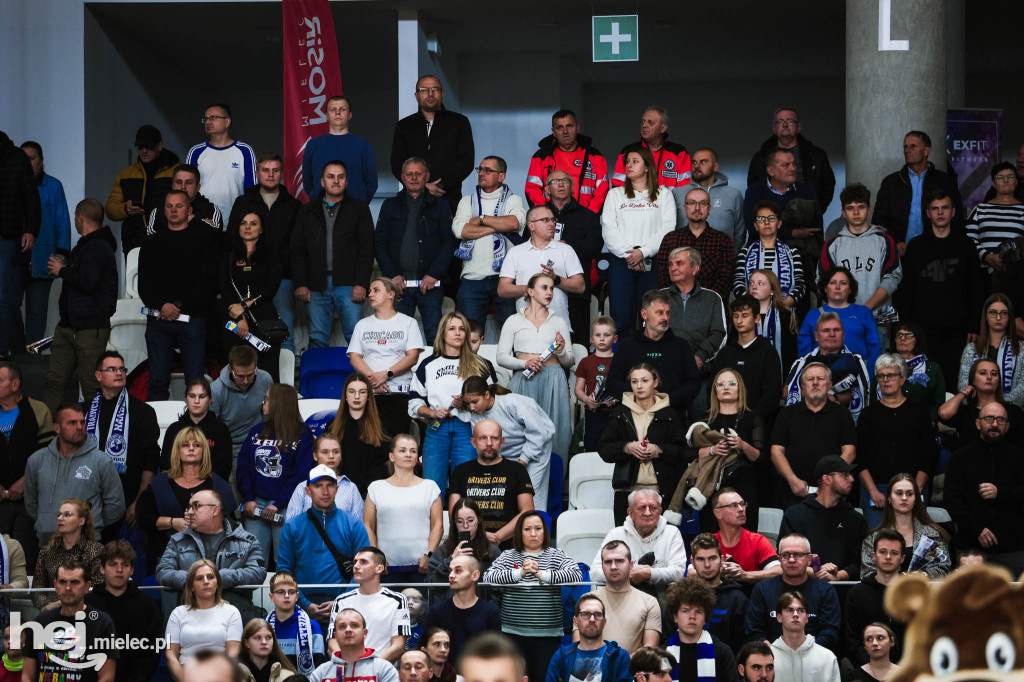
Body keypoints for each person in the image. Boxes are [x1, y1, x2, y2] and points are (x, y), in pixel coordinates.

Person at [896, 189, 985, 385]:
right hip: (922, 330)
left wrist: (974, 325)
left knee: (955, 381)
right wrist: (906, 327)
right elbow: (906, 289)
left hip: (958, 329)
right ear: (928, 213)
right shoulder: (916, 246)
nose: (940, 213)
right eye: (935, 209)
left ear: (953, 211)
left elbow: (976, 288)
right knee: (922, 383)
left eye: (945, 208)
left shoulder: (966, 245)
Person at [138, 189, 220, 400]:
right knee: (157, 380)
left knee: (195, 381)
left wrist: (178, 305)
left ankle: (196, 431)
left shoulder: (204, 240)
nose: (174, 210)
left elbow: (208, 283)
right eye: (169, 206)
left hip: (192, 321)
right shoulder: (150, 244)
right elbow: (144, 285)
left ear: (189, 210)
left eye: (179, 206)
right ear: (164, 211)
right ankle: (156, 432)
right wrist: (162, 306)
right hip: (158, 320)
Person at [484, 510, 582, 682]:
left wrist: (542, 575)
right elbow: (489, 578)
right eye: (527, 529)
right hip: (512, 635)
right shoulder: (509, 555)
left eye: (538, 528)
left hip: (548, 636)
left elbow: (576, 575)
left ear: (545, 531)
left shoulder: (555, 555)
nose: (533, 533)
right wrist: (519, 573)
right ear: (519, 533)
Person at [42, 198, 118, 415]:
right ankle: (48, 434)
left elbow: (87, 281)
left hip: (89, 328)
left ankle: (98, 437)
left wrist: (62, 270)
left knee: (91, 387)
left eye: (75, 218)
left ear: (80, 218)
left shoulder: (98, 247)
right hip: (69, 326)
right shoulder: (86, 246)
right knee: (54, 381)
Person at [409, 311, 497, 495]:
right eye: (452, 328)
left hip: (467, 427)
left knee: (466, 483)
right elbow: (414, 402)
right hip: (436, 428)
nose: (457, 333)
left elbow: (492, 402)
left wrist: (465, 404)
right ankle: (436, 524)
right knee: (432, 485)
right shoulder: (428, 364)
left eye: (461, 329)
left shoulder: (480, 364)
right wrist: (432, 413)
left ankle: (463, 524)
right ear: (443, 333)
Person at [291, 160, 374, 347]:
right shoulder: (307, 211)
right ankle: (319, 377)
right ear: (322, 182)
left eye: (340, 177)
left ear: (346, 181)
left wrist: (361, 284)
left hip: (349, 284)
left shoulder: (359, 209)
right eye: (331, 177)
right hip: (315, 285)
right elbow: (297, 251)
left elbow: (366, 250)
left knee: (356, 337)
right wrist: (301, 283)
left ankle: (360, 377)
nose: (335, 181)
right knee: (317, 337)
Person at [373, 158, 455, 345]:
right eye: (409, 174)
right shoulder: (389, 205)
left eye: (418, 173)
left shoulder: (440, 205)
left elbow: (449, 242)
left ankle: (435, 374)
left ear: (427, 176)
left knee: (435, 337)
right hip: (398, 285)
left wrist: (433, 274)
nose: (414, 178)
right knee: (397, 337)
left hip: (430, 284)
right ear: (402, 177)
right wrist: (392, 275)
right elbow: (379, 243)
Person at [276, 466, 370, 629]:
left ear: (337, 488)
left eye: (330, 485)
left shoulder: (353, 524)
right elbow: (284, 570)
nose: (325, 491)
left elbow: (365, 567)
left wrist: (342, 601)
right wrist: (304, 603)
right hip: (300, 605)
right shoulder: (293, 526)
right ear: (307, 490)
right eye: (318, 486)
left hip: (345, 607)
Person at [497, 272, 573, 473]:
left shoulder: (559, 322)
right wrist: (524, 364)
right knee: (520, 431)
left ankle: (554, 487)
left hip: (554, 377)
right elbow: (501, 357)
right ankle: (517, 480)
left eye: (551, 288)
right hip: (523, 378)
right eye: (544, 287)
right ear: (530, 291)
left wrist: (561, 350)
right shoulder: (513, 320)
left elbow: (570, 360)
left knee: (555, 431)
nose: (549, 292)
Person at [226, 153, 301, 352]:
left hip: (283, 279)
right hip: (247, 277)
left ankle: (285, 383)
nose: (270, 175)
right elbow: (232, 237)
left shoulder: (293, 205)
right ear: (257, 173)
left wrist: (297, 279)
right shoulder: (244, 202)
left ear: (282, 174)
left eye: (275, 170)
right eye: (265, 170)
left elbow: (298, 246)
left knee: (283, 332)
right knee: (244, 331)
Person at [137, 425, 237, 574]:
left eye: (196, 445)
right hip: (169, 559)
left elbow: (230, 525)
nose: (191, 448)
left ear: (204, 451)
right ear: (177, 451)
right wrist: (173, 522)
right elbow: (143, 516)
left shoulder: (219, 485)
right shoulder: (160, 482)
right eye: (185, 445)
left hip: (211, 560)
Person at [24, 403, 125, 546]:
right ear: (57, 428)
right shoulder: (36, 460)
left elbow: (116, 505)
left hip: (87, 546)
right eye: (72, 422)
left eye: (82, 422)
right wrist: (45, 521)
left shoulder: (101, 461)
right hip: (48, 545)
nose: (79, 427)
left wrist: (90, 525)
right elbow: (30, 502)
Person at [156, 489, 266, 618]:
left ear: (215, 510)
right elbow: (163, 572)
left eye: (196, 506)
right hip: (191, 614)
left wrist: (220, 578)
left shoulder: (247, 541)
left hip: (236, 612)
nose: (189, 512)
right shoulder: (178, 540)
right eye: (189, 507)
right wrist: (194, 580)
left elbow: (258, 573)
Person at [820, 184, 902, 352]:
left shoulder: (884, 240)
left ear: (869, 209)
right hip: (842, 324)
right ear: (843, 212)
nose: (856, 213)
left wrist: (864, 310)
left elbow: (892, 278)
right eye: (850, 208)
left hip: (876, 322)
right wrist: (847, 314)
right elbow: (823, 283)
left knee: (877, 374)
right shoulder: (832, 245)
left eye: (861, 207)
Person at [602, 146, 677, 332]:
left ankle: (650, 359)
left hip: (652, 263)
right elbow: (608, 228)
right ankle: (624, 360)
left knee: (652, 317)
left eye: (635, 161)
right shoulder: (615, 195)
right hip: (621, 264)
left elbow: (668, 228)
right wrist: (630, 255)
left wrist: (642, 252)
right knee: (621, 318)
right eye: (627, 161)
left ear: (646, 167)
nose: (629, 165)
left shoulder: (664, 194)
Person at [597, 363, 684, 523]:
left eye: (645, 380)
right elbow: (604, 449)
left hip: (660, 490)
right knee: (626, 545)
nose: (639, 386)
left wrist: (658, 450)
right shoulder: (620, 413)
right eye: (634, 381)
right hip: (627, 492)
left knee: (660, 545)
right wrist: (627, 447)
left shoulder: (669, 414)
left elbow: (682, 451)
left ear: (655, 383)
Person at [238, 383, 314, 563]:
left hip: (286, 506)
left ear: (278, 403)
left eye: (266, 399)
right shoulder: (256, 432)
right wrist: (248, 498)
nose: (262, 403)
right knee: (253, 564)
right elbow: (242, 467)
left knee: (285, 562)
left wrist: (278, 503)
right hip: (256, 505)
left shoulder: (303, 435)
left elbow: (301, 474)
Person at [945, 401, 1024, 574]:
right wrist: (976, 529)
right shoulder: (961, 457)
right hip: (971, 549)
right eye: (989, 418)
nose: (995, 424)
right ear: (977, 423)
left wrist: (1001, 493)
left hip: (1014, 550)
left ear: (1007, 426)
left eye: (1000, 420)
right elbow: (952, 500)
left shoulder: (1019, 457)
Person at [85, 351, 160, 533]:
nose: (119, 373)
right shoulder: (84, 411)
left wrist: (139, 501)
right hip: (87, 495)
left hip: (127, 496)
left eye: (122, 369)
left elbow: (151, 459)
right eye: (112, 369)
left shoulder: (143, 411)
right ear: (98, 375)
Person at [857, 355, 938, 520]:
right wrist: (872, 491)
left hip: (913, 487)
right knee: (876, 542)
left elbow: (929, 454)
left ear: (903, 378)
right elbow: (859, 457)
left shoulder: (920, 413)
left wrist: (916, 488)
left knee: (913, 542)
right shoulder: (867, 414)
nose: (885, 380)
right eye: (881, 376)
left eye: (891, 375)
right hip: (876, 489)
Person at [452, 156, 528, 330]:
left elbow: (513, 223)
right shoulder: (466, 201)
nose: (482, 174)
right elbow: (461, 231)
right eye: (480, 169)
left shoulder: (513, 199)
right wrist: (496, 227)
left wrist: (481, 219)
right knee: (469, 337)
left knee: (514, 334)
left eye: (488, 170)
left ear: (501, 176)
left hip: (505, 278)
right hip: (472, 278)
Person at [7, 141, 68, 350]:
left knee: (37, 311)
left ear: (41, 161)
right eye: (23, 158)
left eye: (31, 158)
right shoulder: (11, 186)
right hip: (15, 256)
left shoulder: (53, 186)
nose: (27, 163)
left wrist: (61, 253)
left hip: (44, 257)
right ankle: (17, 351)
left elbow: (62, 221)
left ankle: (31, 353)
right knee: (11, 305)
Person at [606, 290, 700, 422]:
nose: (665, 318)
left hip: (672, 417)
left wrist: (667, 399)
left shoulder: (681, 346)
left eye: (667, 313)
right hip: (633, 417)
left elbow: (694, 383)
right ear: (644, 314)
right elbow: (612, 383)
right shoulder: (626, 346)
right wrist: (640, 396)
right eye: (659, 312)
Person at [460, 380, 556, 509]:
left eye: (475, 402)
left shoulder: (512, 403)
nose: (471, 407)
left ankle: (536, 526)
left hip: (536, 448)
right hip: (508, 454)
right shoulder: (476, 416)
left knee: (530, 496)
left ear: (487, 395)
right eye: (467, 404)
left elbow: (540, 433)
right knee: (508, 495)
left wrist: (521, 463)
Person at [771, 362, 856, 508]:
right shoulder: (786, 414)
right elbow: (776, 452)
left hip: (832, 495)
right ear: (803, 386)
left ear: (829, 385)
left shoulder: (842, 414)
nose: (815, 383)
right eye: (810, 379)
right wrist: (792, 480)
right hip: (795, 493)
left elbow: (850, 451)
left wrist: (830, 481)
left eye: (820, 379)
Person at [347, 276, 424, 437]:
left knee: (396, 440)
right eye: (369, 291)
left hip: (399, 392)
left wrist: (387, 374)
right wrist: (373, 379)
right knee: (368, 440)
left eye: (376, 290)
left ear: (391, 294)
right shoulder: (362, 325)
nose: (370, 295)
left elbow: (412, 357)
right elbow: (354, 357)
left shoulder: (408, 323)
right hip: (368, 392)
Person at [390, 75, 475, 215]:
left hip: (448, 198)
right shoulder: (404, 126)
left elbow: (466, 161)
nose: (430, 93)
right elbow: (397, 163)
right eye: (424, 90)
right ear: (416, 95)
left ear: (442, 94)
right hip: (412, 199)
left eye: (435, 89)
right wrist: (422, 186)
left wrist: (440, 186)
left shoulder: (459, 122)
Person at [21, 560, 118, 682]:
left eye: (75, 582)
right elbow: (27, 676)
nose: (68, 588)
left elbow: (107, 678)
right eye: (62, 582)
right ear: (55, 585)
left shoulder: (103, 623)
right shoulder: (39, 623)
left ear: (87, 586)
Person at [498, 205, 586, 338]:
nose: (552, 224)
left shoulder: (565, 250)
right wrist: (531, 289)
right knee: (527, 359)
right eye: (545, 220)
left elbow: (580, 286)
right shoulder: (516, 252)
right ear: (531, 226)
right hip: (525, 329)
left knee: (558, 359)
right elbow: (502, 289)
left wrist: (555, 279)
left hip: (558, 329)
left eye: (552, 220)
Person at [365, 434, 442, 581]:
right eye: (402, 450)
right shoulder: (376, 488)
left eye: (413, 451)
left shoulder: (430, 487)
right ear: (391, 456)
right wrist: (376, 558)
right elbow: (368, 526)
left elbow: (438, 525)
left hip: (421, 568)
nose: (408, 454)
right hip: (386, 569)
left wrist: (429, 555)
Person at [872, 130, 965, 253]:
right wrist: (895, 242)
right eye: (905, 146)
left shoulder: (944, 181)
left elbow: (956, 215)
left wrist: (943, 243)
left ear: (926, 151)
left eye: (913, 146)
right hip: (900, 252)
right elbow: (879, 220)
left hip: (936, 250)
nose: (907, 150)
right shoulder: (891, 182)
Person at [447, 419, 535, 547]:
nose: (489, 443)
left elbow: (527, 511)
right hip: (470, 544)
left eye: (494, 438)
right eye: (483, 438)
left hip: (509, 545)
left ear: (502, 442)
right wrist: (480, 536)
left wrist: (497, 537)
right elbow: (454, 513)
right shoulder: (460, 471)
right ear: (473, 442)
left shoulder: (517, 470)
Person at [84, 540, 163, 682]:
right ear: (102, 568)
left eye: (125, 565)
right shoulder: (87, 604)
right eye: (113, 564)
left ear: (132, 569)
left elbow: (152, 651)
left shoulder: (147, 605)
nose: (119, 570)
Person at [745, 534, 841, 650]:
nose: (791, 560)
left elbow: (829, 633)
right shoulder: (762, 589)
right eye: (785, 555)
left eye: (798, 554)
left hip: (814, 656)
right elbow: (754, 631)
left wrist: (804, 652)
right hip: (772, 658)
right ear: (779, 559)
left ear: (809, 559)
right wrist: (774, 654)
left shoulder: (826, 591)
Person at [779, 456, 867, 582]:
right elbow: (785, 556)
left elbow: (860, 563)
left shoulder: (856, 519)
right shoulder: (795, 515)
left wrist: (837, 576)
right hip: (801, 586)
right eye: (845, 475)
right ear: (827, 479)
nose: (852, 479)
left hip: (843, 588)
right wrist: (817, 571)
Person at [0, 361, 52, 569]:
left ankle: (24, 599)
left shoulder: (38, 410)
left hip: (29, 501)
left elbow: (49, 454)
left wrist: (25, 482)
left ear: (15, 385)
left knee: (25, 555)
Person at [661, 247, 727, 410]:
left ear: (695, 268)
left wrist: (699, 357)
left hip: (699, 371)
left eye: (679, 263)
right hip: (663, 370)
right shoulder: (658, 296)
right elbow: (648, 332)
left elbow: (720, 333)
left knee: (699, 420)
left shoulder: (712, 298)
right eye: (670, 264)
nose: (673, 268)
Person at [221, 211, 282, 379]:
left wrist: (245, 305)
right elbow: (224, 288)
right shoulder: (228, 256)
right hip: (234, 321)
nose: (248, 227)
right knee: (235, 374)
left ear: (261, 229)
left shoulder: (271, 255)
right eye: (243, 223)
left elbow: (270, 289)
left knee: (267, 374)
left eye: (253, 223)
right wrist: (239, 317)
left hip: (264, 320)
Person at [588, 489, 687, 591]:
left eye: (653, 508)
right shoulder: (616, 534)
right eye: (642, 508)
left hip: (663, 596)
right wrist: (625, 574)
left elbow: (678, 572)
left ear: (660, 511)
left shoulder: (672, 533)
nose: (648, 512)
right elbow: (595, 573)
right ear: (630, 513)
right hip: (622, 595)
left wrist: (649, 574)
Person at [326, 548, 411, 662]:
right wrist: (348, 667)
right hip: (345, 670)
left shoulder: (398, 600)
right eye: (355, 562)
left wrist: (370, 669)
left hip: (381, 673)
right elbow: (332, 644)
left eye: (363, 562)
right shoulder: (341, 600)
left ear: (379, 568)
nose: (356, 566)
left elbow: (398, 646)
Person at [103, 124, 178, 255]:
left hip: (168, 237)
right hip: (134, 240)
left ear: (159, 146)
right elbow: (110, 209)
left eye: (148, 147)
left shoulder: (176, 171)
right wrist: (125, 209)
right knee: (135, 275)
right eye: (140, 147)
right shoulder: (125, 174)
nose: (144, 151)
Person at [165, 559, 244, 681]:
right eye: (199, 578)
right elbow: (170, 655)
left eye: (210, 577)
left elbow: (233, 652)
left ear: (217, 583)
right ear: (191, 586)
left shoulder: (232, 612)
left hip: (220, 675)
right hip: (187, 674)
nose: (206, 582)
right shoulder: (177, 614)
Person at [860, 474, 951, 578]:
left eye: (909, 494)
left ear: (916, 498)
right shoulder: (873, 537)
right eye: (899, 493)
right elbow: (867, 574)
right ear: (889, 497)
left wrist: (923, 575)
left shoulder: (933, 534)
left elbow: (944, 570)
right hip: (885, 593)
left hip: (924, 591)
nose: (904, 498)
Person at [711, 296, 783, 426]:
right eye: (735, 316)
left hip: (758, 424)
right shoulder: (724, 354)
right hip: (725, 421)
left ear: (756, 318)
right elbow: (713, 391)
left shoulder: (768, 352)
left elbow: (772, 395)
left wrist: (752, 419)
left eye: (744, 315)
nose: (739, 320)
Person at [747, 108, 836, 212]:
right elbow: (753, 189)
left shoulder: (816, 155)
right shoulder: (761, 157)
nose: (785, 125)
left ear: (799, 127)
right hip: (772, 220)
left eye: (790, 121)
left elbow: (827, 186)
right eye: (780, 121)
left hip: (808, 219)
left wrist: (815, 211)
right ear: (774, 128)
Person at [741, 149, 823, 259]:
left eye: (794, 164)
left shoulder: (806, 191)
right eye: (786, 165)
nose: (793, 169)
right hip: (762, 255)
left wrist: (772, 225)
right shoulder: (754, 191)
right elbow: (753, 227)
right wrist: (792, 233)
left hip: (802, 256)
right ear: (771, 171)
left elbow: (815, 226)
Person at [799, 267, 880, 377]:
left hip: (858, 376)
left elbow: (875, 349)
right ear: (825, 288)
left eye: (843, 283)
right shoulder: (813, 315)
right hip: (821, 377)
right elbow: (804, 353)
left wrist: (868, 378)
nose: (837, 287)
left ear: (850, 289)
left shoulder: (863, 312)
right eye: (832, 283)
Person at [786, 315, 870, 420]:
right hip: (806, 421)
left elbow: (863, 391)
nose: (832, 334)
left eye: (837, 330)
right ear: (816, 336)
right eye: (826, 330)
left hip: (841, 422)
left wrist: (829, 396)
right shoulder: (802, 362)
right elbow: (787, 391)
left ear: (843, 335)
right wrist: (829, 396)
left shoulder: (855, 360)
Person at [843, 530, 906, 667]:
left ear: (902, 558)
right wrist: (875, 668)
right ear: (873, 556)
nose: (888, 557)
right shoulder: (857, 594)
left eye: (894, 553)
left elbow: (922, 637)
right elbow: (851, 640)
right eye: (882, 552)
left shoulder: (913, 593)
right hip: (868, 672)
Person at [525, 109, 609, 213]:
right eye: (559, 127)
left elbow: (603, 190)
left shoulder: (594, 155)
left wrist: (589, 215)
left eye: (569, 126)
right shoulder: (541, 156)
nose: (565, 131)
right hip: (551, 221)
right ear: (553, 132)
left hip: (587, 220)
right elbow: (532, 189)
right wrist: (546, 214)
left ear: (577, 128)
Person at [322, 373, 392, 496]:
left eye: (362, 392)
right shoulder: (332, 427)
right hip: (337, 490)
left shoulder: (381, 427)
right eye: (352, 391)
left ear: (369, 396)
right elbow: (323, 462)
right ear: (345, 395)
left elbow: (383, 466)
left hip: (369, 493)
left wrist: (360, 487)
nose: (357, 396)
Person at [586, 541, 661, 654]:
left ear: (631, 565)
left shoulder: (649, 602)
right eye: (608, 562)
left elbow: (649, 652)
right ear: (602, 566)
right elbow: (579, 648)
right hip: (595, 670)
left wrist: (619, 664)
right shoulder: (586, 602)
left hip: (633, 670)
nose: (613, 567)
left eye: (619, 561)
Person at [421, 555, 501, 661]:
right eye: (450, 571)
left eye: (458, 571)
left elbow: (495, 652)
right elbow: (425, 648)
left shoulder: (490, 611)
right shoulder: (438, 610)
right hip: (444, 674)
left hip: (478, 673)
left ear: (475, 575)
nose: (451, 575)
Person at [185, 103, 257, 221]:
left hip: (236, 222)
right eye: (206, 119)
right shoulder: (195, 152)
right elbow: (186, 189)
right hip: (203, 221)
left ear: (227, 122)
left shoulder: (245, 151)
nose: (208, 122)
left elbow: (252, 190)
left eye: (213, 118)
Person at [31, 498, 104, 609]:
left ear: (81, 521)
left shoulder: (96, 551)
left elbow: (96, 590)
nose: (60, 518)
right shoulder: (47, 551)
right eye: (59, 515)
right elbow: (37, 590)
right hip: (51, 615)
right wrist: (47, 607)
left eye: (67, 515)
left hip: (85, 614)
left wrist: (60, 605)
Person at [303, 95, 378, 202]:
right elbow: (307, 182)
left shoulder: (363, 145)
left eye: (342, 109)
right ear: (326, 116)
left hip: (355, 211)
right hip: (320, 211)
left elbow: (372, 182)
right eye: (333, 109)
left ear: (350, 115)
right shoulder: (313, 145)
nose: (337, 113)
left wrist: (361, 206)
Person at [733, 201, 804, 309]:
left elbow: (800, 285)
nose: (766, 222)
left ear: (779, 223)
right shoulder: (745, 253)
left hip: (784, 311)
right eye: (761, 219)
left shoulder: (792, 252)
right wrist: (755, 305)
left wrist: (783, 305)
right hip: (752, 312)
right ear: (756, 226)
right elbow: (738, 284)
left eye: (771, 218)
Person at [160, 377, 233, 481]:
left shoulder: (221, 430)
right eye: (192, 396)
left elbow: (223, 469)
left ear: (210, 399)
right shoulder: (174, 429)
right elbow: (166, 466)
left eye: (202, 396)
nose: (196, 401)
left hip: (211, 490)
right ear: (186, 398)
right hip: (177, 489)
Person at [664, 575, 737, 680]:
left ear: (705, 618)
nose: (692, 617)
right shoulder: (662, 653)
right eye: (686, 611)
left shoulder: (722, 653)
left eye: (698, 612)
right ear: (675, 616)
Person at [957, 293, 1024, 407]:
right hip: (976, 409)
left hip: (1010, 411)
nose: (998, 318)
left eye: (1003, 313)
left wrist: (998, 406)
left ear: (1009, 317)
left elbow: (1022, 388)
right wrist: (982, 405)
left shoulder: (1021, 348)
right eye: (993, 312)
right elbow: (963, 385)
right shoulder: (971, 348)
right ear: (986, 316)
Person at [547, 593, 632, 682]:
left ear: (604, 622)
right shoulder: (561, 657)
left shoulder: (620, 657)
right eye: (586, 614)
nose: (592, 619)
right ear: (576, 621)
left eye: (597, 614)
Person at [941, 357, 1024, 448]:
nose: (989, 377)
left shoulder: (1013, 411)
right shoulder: (965, 412)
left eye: (994, 374)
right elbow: (944, 413)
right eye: (983, 373)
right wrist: (964, 392)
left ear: (998, 380)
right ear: (973, 380)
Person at [687, 534, 749, 653]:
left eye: (712, 558)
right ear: (692, 562)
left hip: (727, 666)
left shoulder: (737, 598)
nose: (707, 565)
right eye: (700, 559)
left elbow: (744, 645)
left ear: (721, 559)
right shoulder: (683, 597)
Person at [677, 147, 746, 255]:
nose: (697, 166)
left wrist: (730, 256)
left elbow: (740, 232)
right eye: (694, 162)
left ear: (715, 166)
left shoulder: (733, 195)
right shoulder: (678, 193)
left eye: (703, 162)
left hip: (721, 262)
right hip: (684, 264)